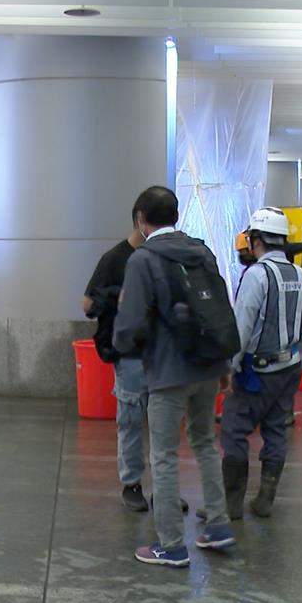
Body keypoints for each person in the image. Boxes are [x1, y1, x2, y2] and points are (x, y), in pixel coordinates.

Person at [113, 186, 236, 567]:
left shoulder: (143, 259)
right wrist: (224, 364)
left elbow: (129, 322)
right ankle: (218, 525)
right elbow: (220, 306)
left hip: (168, 371)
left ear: (140, 220)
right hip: (208, 365)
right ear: (176, 216)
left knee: (163, 455)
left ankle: (170, 544)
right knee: (204, 442)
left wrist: (120, 347)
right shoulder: (202, 251)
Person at [220, 207, 302, 520]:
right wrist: (299, 364)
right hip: (290, 367)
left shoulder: (256, 275)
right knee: (275, 429)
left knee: (233, 430)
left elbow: (242, 327)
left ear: (256, 239)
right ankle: (265, 498)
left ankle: (231, 504)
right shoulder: (301, 275)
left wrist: (229, 368)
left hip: (256, 372)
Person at [83, 228, 150, 512]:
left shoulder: (165, 254)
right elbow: (88, 304)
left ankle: (166, 486)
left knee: (166, 424)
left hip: (164, 354)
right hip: (130, 353)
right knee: (132, 420)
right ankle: (131, 483)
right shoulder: (114, 259)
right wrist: (117, 296)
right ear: (141, 221)